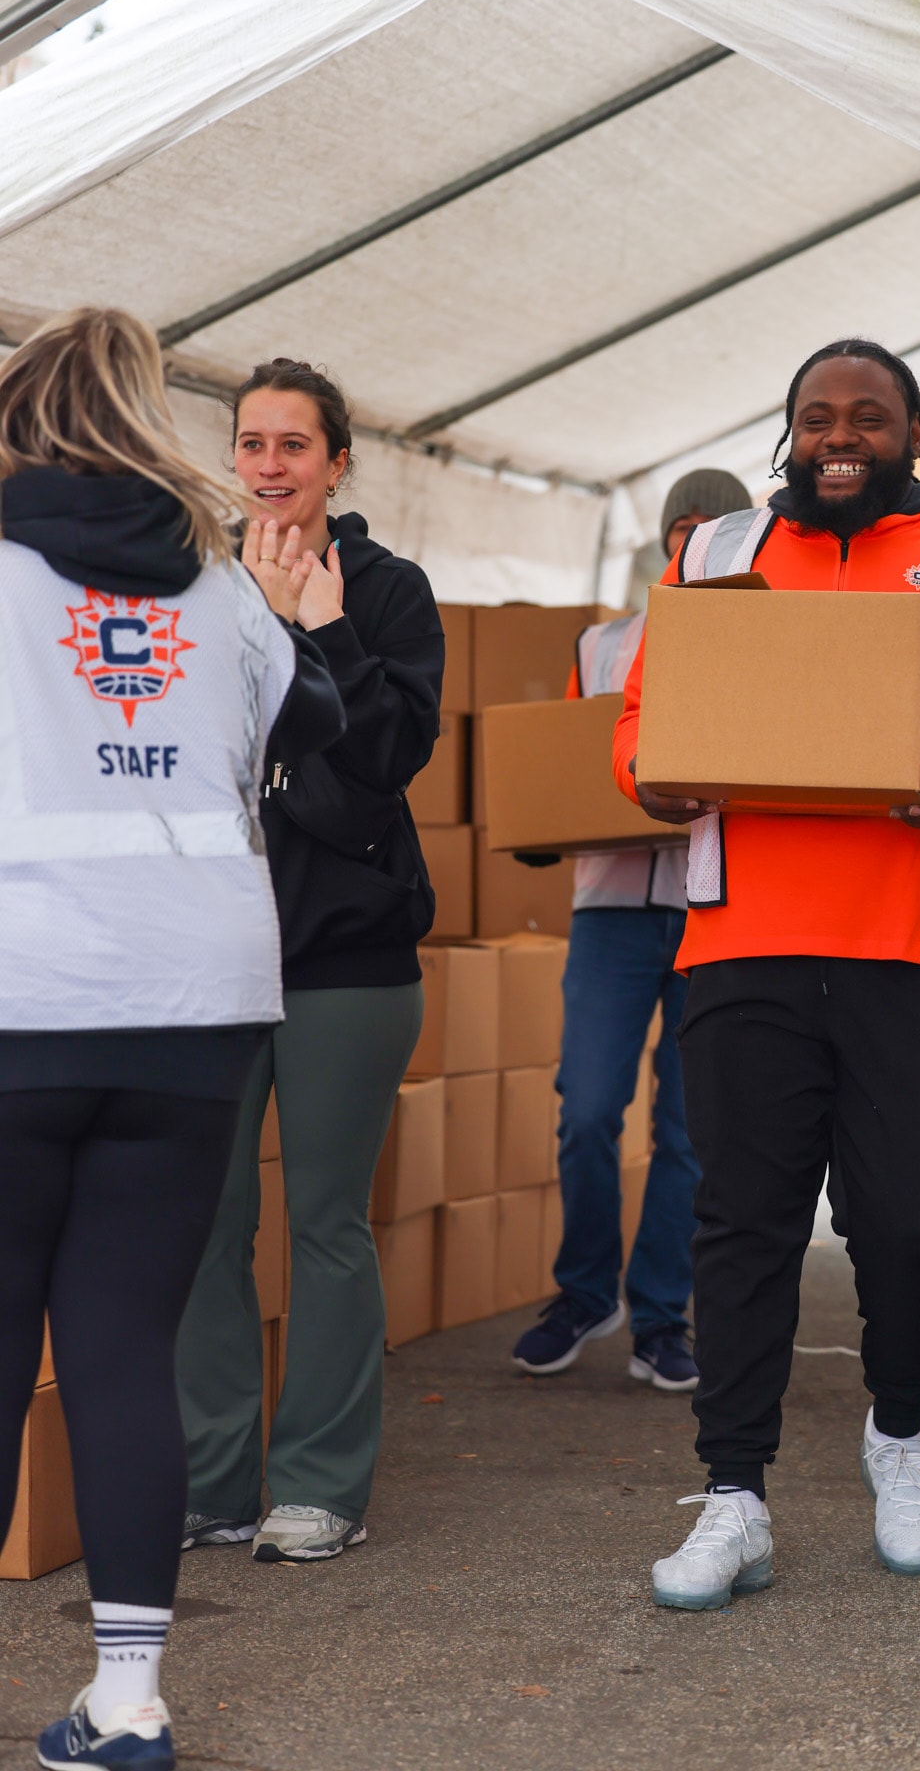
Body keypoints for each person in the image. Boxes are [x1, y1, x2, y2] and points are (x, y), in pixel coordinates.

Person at [614, 340, 920, 1608]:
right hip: (743, 942)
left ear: (913, 434)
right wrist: (648, 777)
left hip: (913, 947)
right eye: (816, 416)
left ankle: (899, 1433)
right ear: (788, 436)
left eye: (868, 416)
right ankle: (734, 1494)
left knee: (902, 1221)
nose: (840, 436)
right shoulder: (713, 555)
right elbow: (639, 721)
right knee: (742, 1222)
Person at [0, 309, 342, 1771]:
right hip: (196, 1008)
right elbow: (316, 720)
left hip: (22, 996)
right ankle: (130, 1700)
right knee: (124, 1349)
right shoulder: (221, 584)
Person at [176, 359, 444, 1565]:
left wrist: (316, 629)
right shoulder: (190, 582)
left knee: (327, 1220)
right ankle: (211, 1479)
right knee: (204, 1221)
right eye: (252, 443)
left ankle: (321, 1485)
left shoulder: (388, 593)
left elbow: (380, 767)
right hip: (208, 953)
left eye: (295, 444)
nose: (271, 464)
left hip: (347, 957)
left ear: (339, 461)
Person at [513, 470, 753, 1391]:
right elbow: (579, 762)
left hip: (713, 906)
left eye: (716, 528)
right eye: (683, 527)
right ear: (664, 539)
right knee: (586, 1111)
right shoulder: (604, 643)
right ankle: (584, 1294)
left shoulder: (769, 644)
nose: (694, 543)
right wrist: (545, 821)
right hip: (610, 909)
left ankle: (660, 1317)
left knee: (689, 1130)